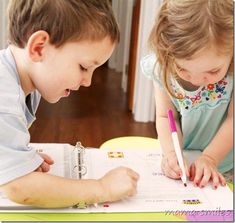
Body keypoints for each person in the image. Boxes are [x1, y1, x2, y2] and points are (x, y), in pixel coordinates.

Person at [0, 0, 139, 208]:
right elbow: (19, 187)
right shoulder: (5, 95)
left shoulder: (24, 84)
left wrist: (15, 157)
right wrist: (102, 188)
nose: (88, 81)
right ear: (39, 48)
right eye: (83, 67)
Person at [141, 0, 233, 189]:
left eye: (213, 71)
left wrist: (210, 158)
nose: (197, 81)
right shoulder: (162, 68)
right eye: (183, 69)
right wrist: (171, 154)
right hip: (187, 162)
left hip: (227, 164)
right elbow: (165, 117)